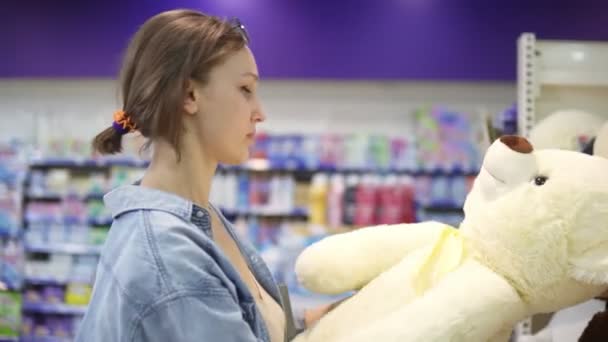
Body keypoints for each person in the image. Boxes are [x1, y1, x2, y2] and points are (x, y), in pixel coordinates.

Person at [75, 9, 333, 342]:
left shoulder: (199, 215)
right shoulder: (171, 258)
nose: (260, 113)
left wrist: (369, 306)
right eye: (245, 89)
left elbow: (260, 320)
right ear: (189, 96)